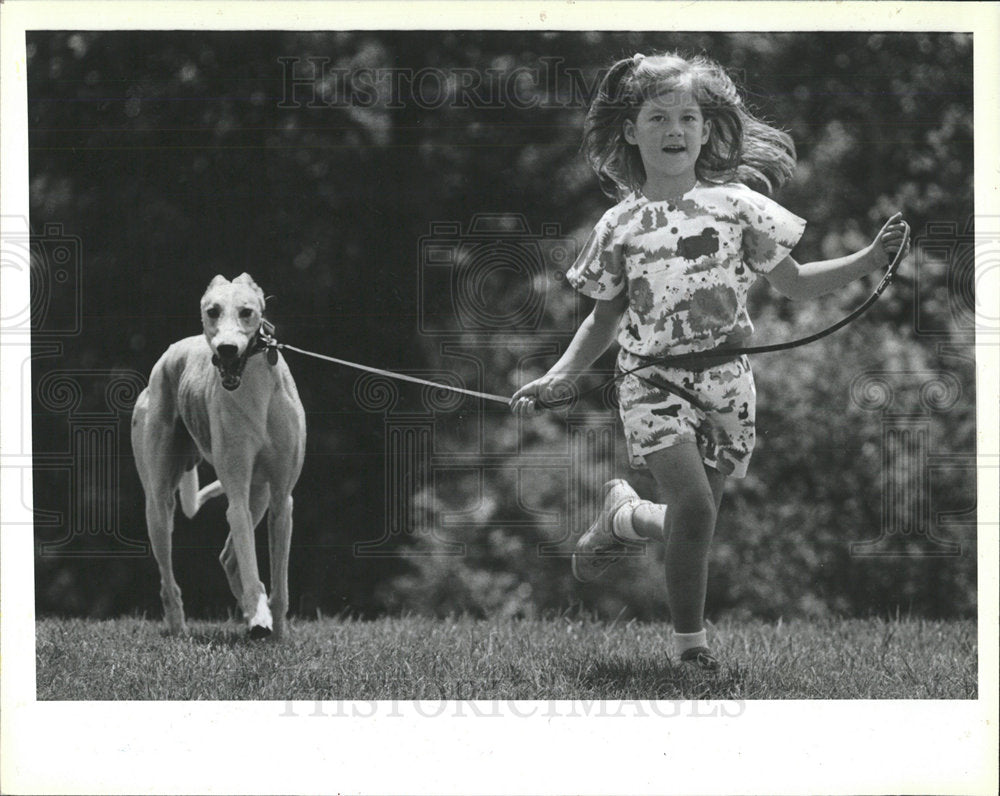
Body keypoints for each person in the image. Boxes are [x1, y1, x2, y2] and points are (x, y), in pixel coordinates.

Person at [510, 51, 909, 671]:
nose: (675, 130)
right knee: (694, 510)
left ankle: (626, 517)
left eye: (689, 117)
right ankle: (691, 652)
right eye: (659, 117)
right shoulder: (619, 226)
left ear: (706, 128)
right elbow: (603, 319)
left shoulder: (738, 205)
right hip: (650, 383)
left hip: (727, 383)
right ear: (630, 131)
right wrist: (561, 375)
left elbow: (797, 282)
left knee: (694, 526)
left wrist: (865, 261)